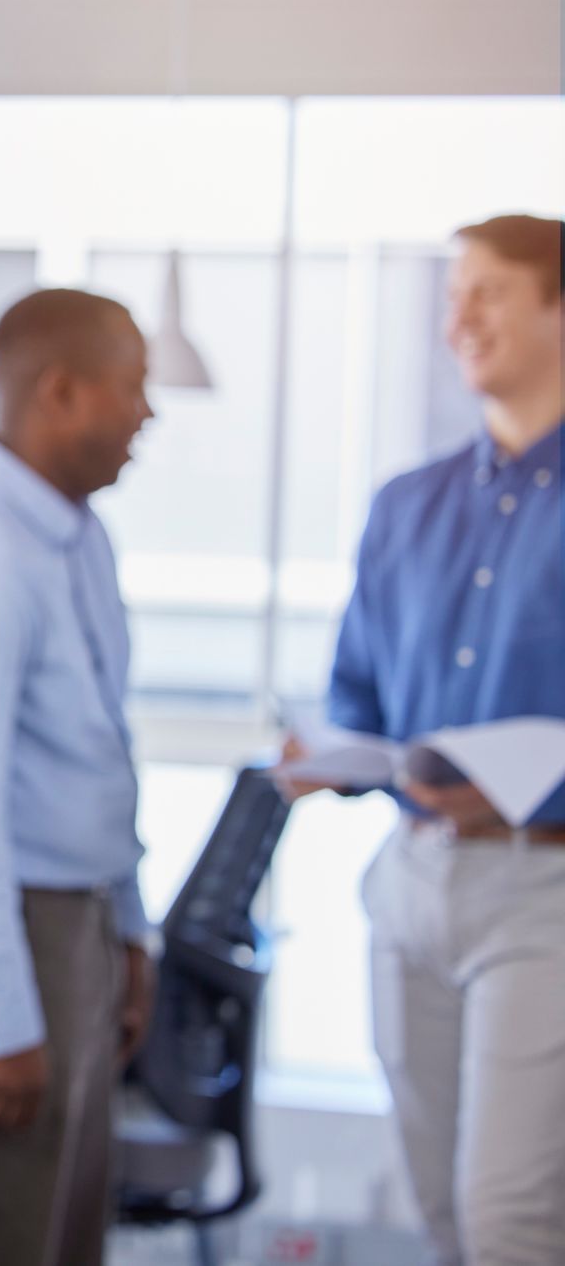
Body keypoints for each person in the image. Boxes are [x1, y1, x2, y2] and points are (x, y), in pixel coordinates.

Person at [285, 214, 565, 1265]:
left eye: (488, 291)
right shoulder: (407, 505)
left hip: (544, 891)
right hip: (409, 881)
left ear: (557, 306)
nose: (460, 316)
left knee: (512, 1222)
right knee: (439, 1214)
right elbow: (358, 693)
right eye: (454, 295)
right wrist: (330, 755)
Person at [0, 288, 157, 1266]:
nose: (149, 413)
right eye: (133, 387)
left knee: (64, 1230)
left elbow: (100, 750)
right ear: (61, 392)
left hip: (73, 919)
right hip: (6, 939)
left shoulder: (79, 534)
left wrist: (128, 926)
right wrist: (3, 1017)